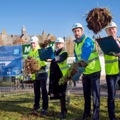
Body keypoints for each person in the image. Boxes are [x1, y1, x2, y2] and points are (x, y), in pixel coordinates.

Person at [72, 23, 101, 120]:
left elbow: (85, 56)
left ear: (82, 31)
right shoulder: (75, 45)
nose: (76, 33)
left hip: (94, 71)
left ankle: (96, 116)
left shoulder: (88, 40)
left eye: (78, 30)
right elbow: (77, 59)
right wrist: (75, 71)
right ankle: (87, 113)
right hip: (85, 72)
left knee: (95, 95)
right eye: (75, 31)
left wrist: (78, 71)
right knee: (86, 94)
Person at [47, 37, 69, 119]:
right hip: (55, 77)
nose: (59, 45)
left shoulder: (64, 52)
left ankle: (63, 112)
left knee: (62, 94)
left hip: (62, 76)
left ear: (63, 44)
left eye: (60, 44)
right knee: (59, 94)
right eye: (57, 44)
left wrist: (53, 59)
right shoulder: (54, 52)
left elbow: (60, 58)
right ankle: (64, 109)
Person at [28, 36, 48, 115]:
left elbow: (44, 62)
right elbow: (28, 62)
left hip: (42, 72)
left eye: (34, 43)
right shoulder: (31, 52)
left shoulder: (41, 50)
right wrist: (29, 70)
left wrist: (36, 65)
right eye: (31, 43)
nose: (32, 45)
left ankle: (44, 108)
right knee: (36, 91)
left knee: (43, 91)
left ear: (37, 43)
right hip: (35, 74)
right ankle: (36, 105)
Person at [104, 21, 119, 120]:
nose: (112, 30)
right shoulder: (105, 43)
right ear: (107, 32)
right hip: (111, 74)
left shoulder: (119, 40)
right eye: (110, 29)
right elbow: (110, 52)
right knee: (111, 96)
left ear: (116, 30)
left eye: (113, 28)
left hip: (119, 72)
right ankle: (112, 116)